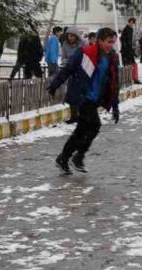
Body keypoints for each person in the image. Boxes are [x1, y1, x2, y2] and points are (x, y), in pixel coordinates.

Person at [47, 25, 121, 174]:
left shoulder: (112, 57)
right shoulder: (86, 53)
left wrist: (115, 106)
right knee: (93, 126)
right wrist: (55, 84)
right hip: (82, 96)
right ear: (99, 41)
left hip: (94, 98)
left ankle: (66, 158)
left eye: (112, 42)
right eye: (108, 41)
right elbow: (68, 69)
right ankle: (76, 157)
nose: (110, 45)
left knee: (83, 130)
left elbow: (114, 83)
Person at [120, 17, 137, 81]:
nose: (132, 24)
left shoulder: (131, 29)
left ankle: (133, 78)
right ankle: (127, 79)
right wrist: (125, 45)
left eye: (133, 23)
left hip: (130, 48)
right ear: (129, 22)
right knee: (126, 63)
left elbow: (130, 39)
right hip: (125, 49)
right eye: (131, 22)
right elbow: (122, 38)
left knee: (132, 62)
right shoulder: (126, 29)